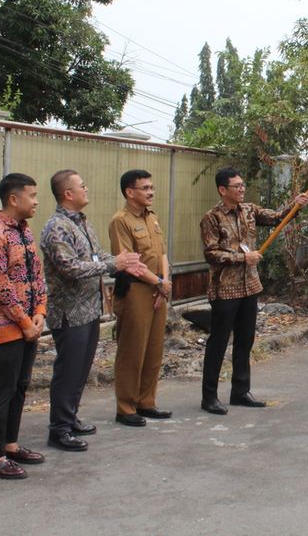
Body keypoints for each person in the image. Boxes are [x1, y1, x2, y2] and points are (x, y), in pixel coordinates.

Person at [40, 170, 143, 451]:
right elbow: (70, 268)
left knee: (81, 369)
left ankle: (70, 417)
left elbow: (94, 257)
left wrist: (122, 259)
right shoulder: (57, 227)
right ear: (67, 194)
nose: (87, 189)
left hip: (89, 309)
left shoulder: (81, 223)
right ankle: (59, 429)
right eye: (81, 186)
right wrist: (114, 265)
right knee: (68, 370)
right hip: (69, 312)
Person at [199, 167, 308, 414]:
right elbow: (211, 253)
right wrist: (242, 258)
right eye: (236, 186)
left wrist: (296, 205)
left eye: (242, 185)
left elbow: (276, 218)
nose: (241, 189)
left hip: (250, 286)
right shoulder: (212, 218)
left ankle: (240, 391)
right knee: (218, 342)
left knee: (245, 341)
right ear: (222, 190)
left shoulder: (249, 210)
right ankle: (209, 397)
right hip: (225, 290)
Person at [0, 173, 48, 480]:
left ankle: (10, 444)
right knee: (1, 391)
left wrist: (40, 312)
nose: (36, 201)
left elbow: (38, 276)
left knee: (19, 387)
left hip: (29, 325)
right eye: (32, 195)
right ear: (14, 199)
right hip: (2, 327)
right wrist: (24, 322)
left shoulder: (25, 233)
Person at [109, 169, 173, 427]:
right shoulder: (121, 221)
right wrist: (158, 282)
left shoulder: (153, 218)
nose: (151, 192)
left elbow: (163, 254)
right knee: (132, 351)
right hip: (136, 289)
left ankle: (147, 402)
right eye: (145, 188)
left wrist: (164, 283)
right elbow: (129, 262)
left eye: (151, 187)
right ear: (129, 192)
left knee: (154, 349)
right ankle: (126, 407)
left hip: (158, 289)